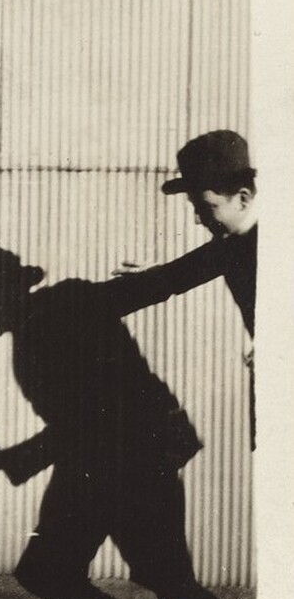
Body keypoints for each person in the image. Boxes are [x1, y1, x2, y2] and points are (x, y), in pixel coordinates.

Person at [0, 249, 204, 599]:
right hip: (109, 451)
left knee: (62, 573)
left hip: (130, 452)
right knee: (143, 573)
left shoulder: (69, 304)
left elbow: (86, 418)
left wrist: (235, 247)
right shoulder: (40, 323)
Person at [110, 129, 257, 446]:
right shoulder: (231, 244)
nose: (197, 220)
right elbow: (180, 276)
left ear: (243, 198)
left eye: (205, 208)